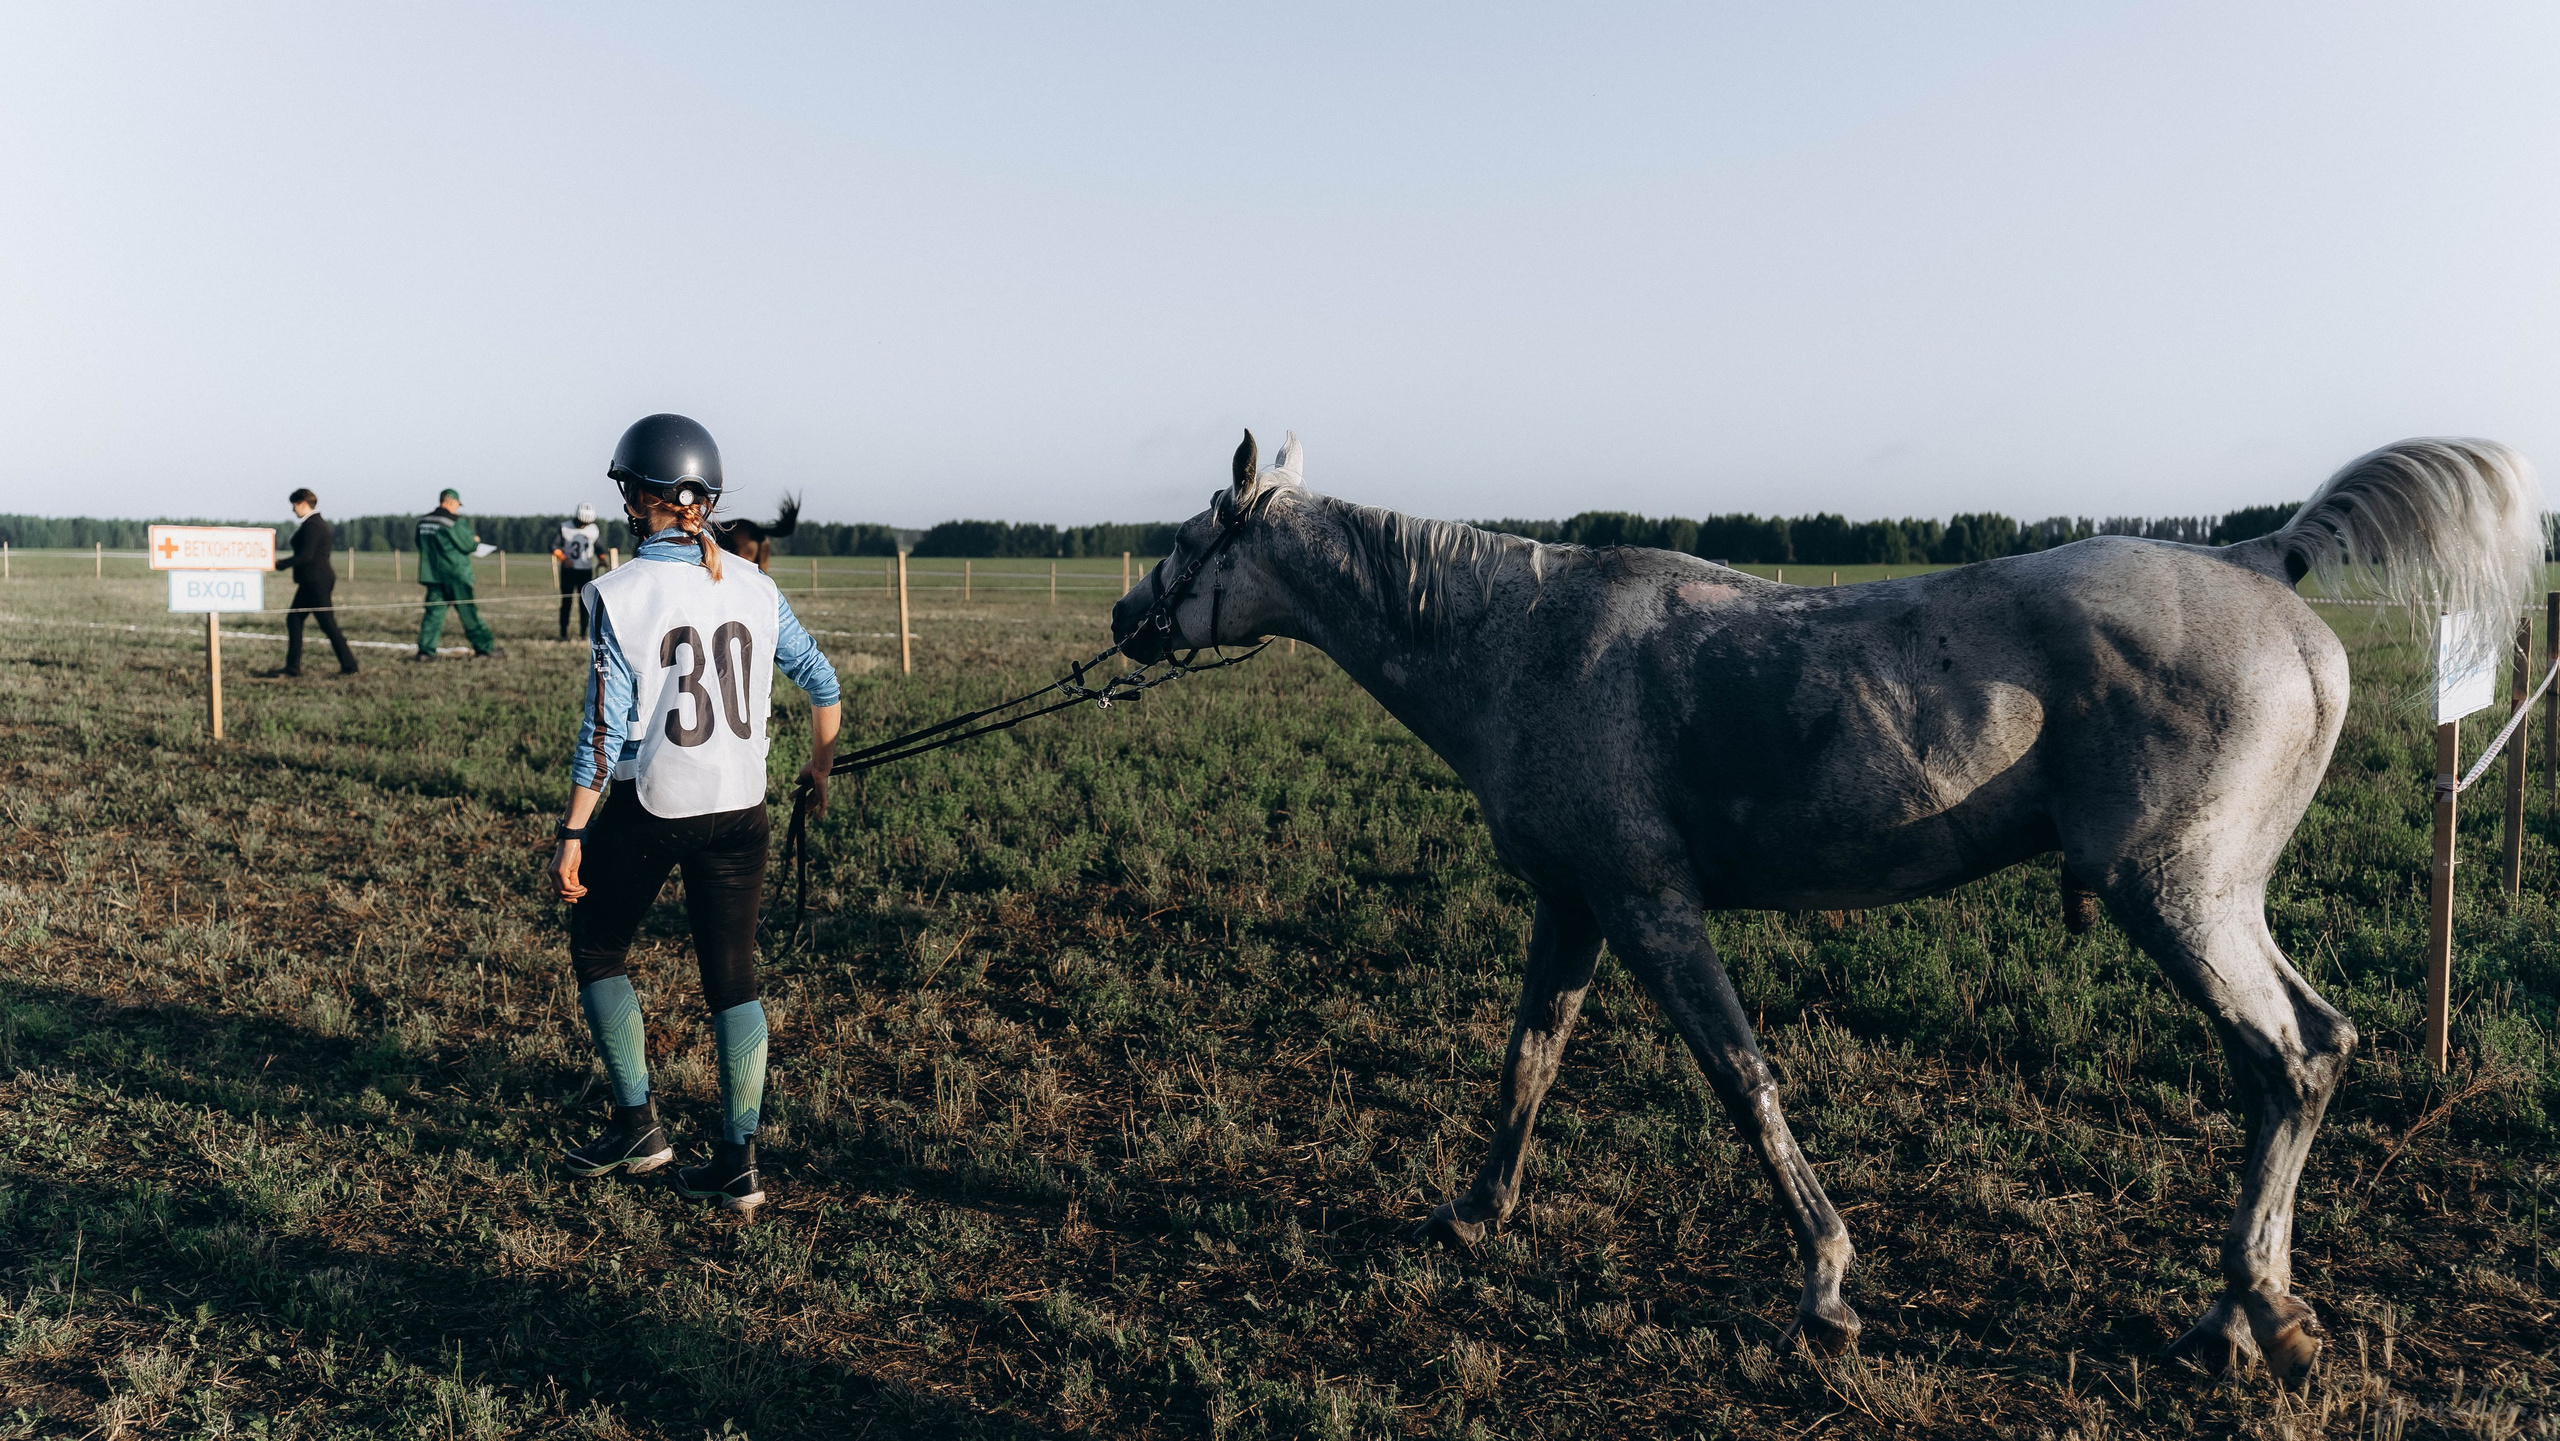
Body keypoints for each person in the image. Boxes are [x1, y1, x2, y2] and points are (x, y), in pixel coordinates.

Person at [550, 413, 841, 1216]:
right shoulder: (755, 582)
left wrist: (574, 831)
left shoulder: (618, 591)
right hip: (741, 809)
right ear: (703, 501)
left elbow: (604, 730)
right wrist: (819, 768)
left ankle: (639, 1126)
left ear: (642, 499)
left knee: (600, 944)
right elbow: (823, 684)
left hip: (656, 803)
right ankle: (738, 1162)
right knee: (733, 979)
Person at [261, 488, 359, 677]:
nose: (293, 510)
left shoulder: (313, 526)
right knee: (295, 619)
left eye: (294, 506)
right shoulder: (315, 523)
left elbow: (305, 555)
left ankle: (350, 666)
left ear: (303, 504)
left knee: (327, 624)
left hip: (315, 581)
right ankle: (293, 667)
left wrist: (279, 564)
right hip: (311, 581)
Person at [413, 488, 501, 661]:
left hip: (433, 575)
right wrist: (474, 541)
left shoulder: (423, 522)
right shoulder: (452, 522)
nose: (457, 509)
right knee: (468, 613)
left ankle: (425, 651)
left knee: (433, 614)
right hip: (456, 575)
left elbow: (419, 543)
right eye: (457, 505)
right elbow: (468, 544)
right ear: (450, 501)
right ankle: (484, 648)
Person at [553, 502, 602, 640]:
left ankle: (583, 634)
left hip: (585, 571)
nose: (583, 526)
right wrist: (563, 559)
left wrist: (602, 559)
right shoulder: (565, 527)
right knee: (566, 603)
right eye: (581, 522)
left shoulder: (593, 529)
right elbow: (553, 546)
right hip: (569, 571)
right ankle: (563, 634)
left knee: (584, 604)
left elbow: (599, 547)